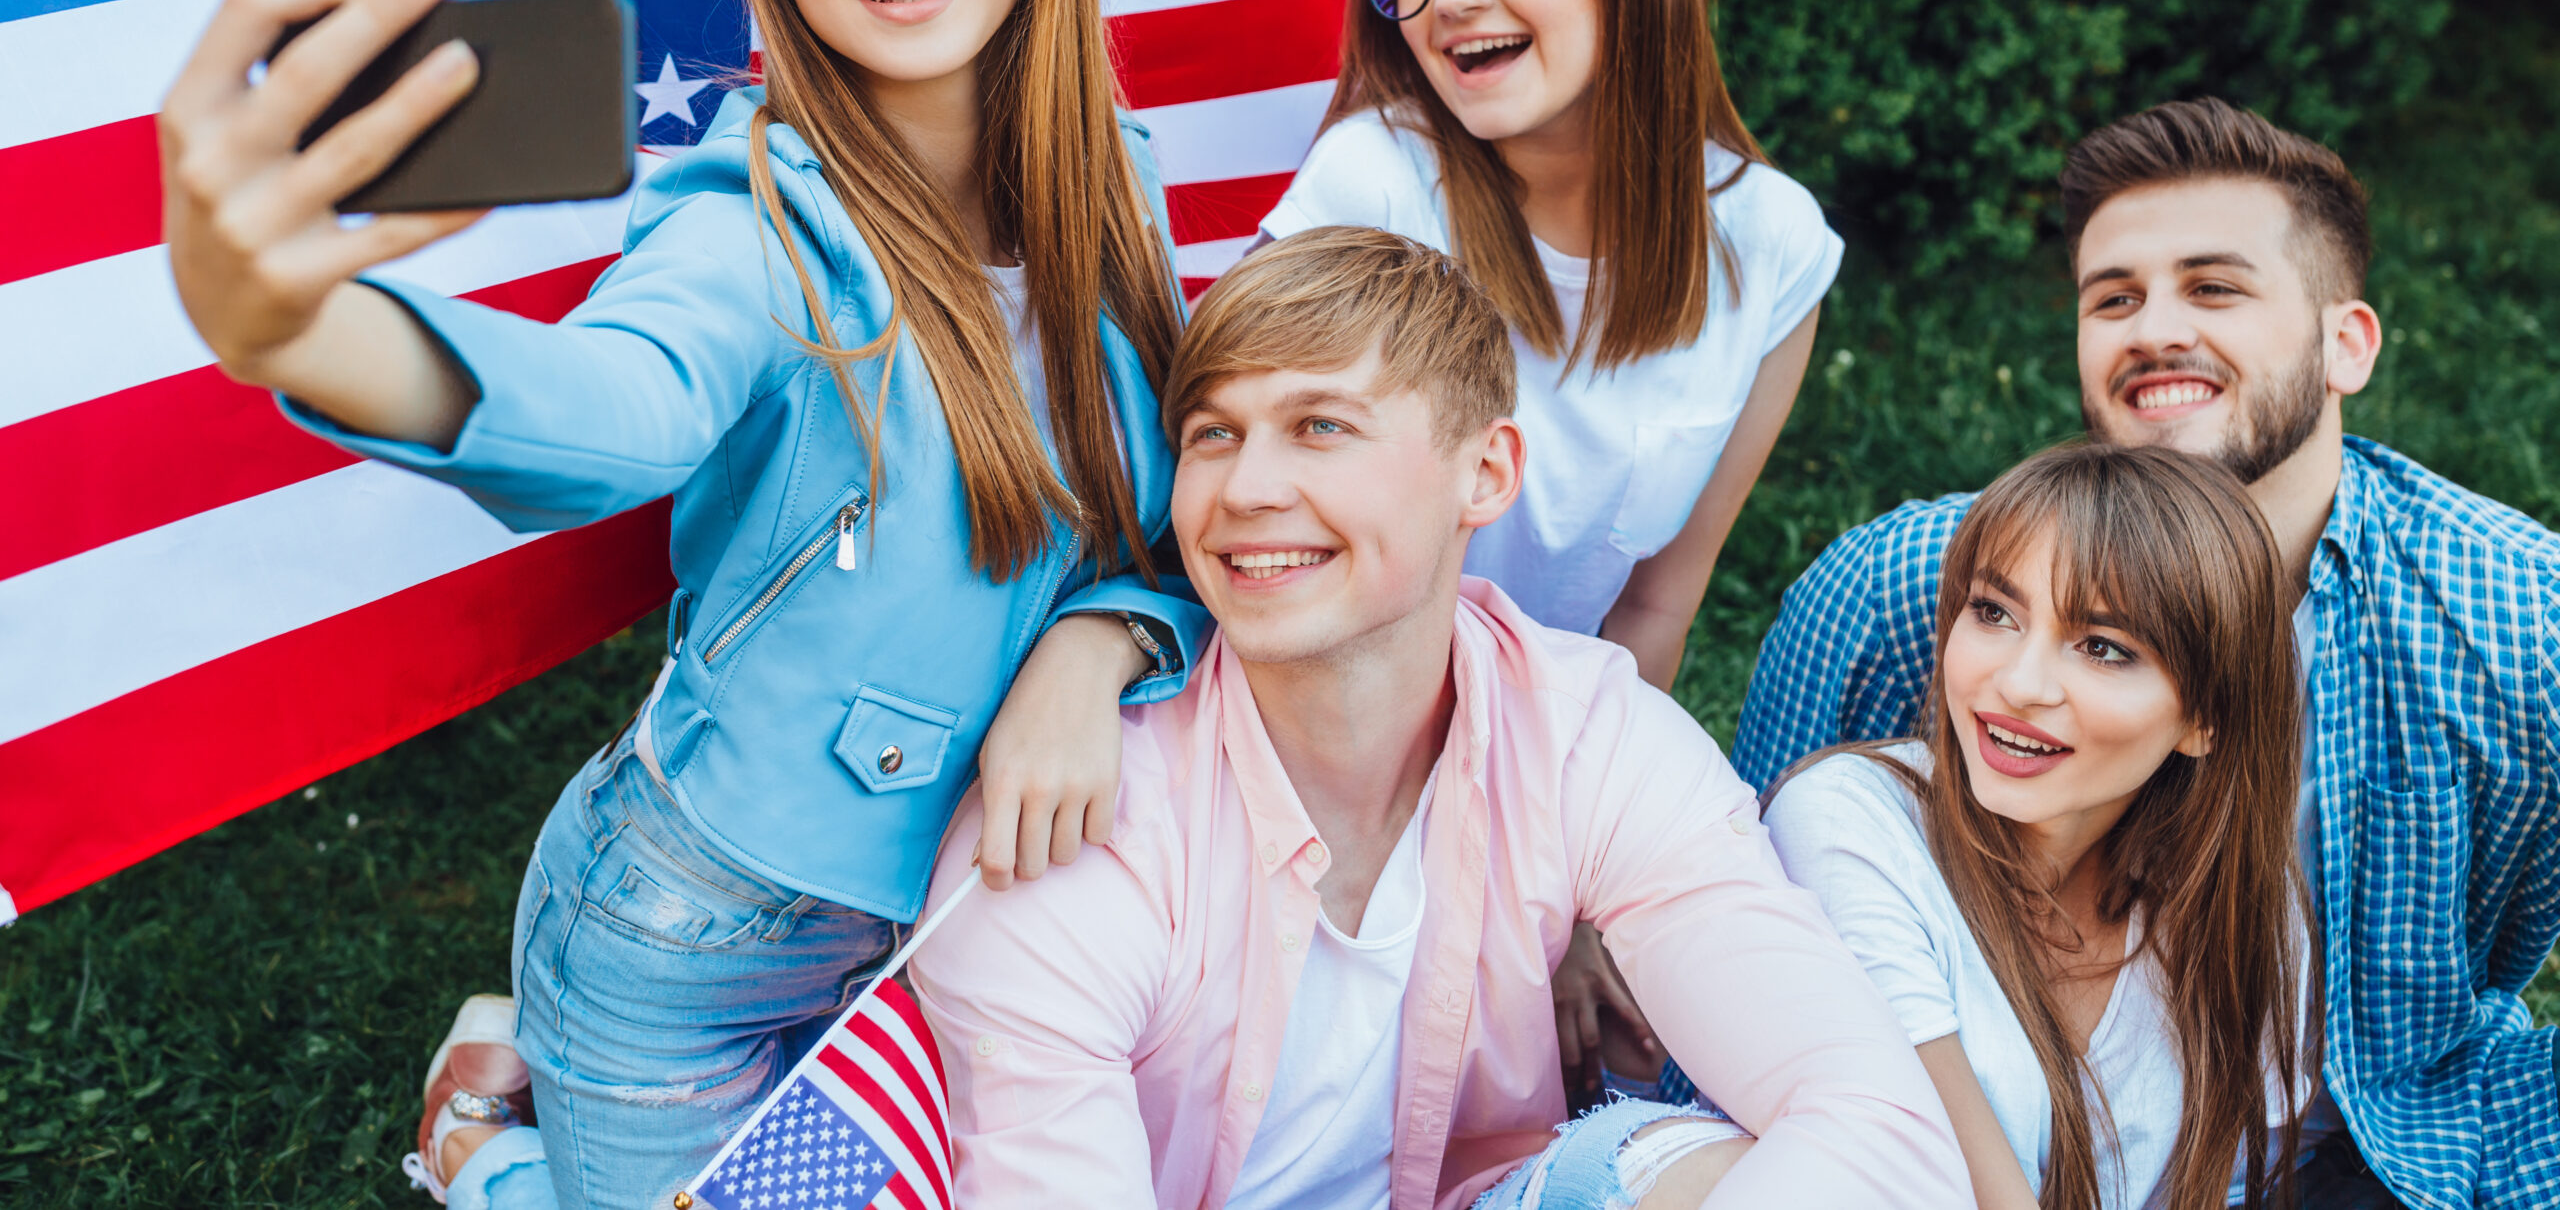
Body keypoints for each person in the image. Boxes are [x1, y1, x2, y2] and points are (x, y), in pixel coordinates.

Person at [154, 0, 1209, 1210]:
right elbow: (615, 409)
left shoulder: (1117, 175)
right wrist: (295, 328)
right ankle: (480, 1142)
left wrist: (1103, 640)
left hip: (963, 914)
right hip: (689, 935)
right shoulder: (756, 217)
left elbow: (1173, 517)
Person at [908, 227, 1970, 1210]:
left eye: (1320, 427)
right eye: (1212, 435)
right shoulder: (1079, 816)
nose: (1247, 488)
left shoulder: (1583, 732)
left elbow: (1875, 1123)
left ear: (1487, 472)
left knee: (1691, 1173)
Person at [1733, 99, 2560, 1209]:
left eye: (2214, 288)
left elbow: (2507, 929)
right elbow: (1755, 929)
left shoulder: (2514, 610)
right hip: (2004, 1141)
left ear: (2343, 343)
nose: (2153, 330)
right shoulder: (1904, 587)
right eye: (2112, 298)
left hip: (2403, 1138)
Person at [1259, 0, 1839, 693]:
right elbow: (1246, 531)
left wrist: (1576, 812)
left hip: (1561, 740)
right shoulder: (1371, 189)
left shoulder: (1771, 244)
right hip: (1333, 710)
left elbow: (1653, 610)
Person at [1760, 441, 2314, 1210]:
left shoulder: (2246, 926)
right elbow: (1955, 1182)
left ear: (2205, 716)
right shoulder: (1847, 823)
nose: (2018, 684)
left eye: (2103, 647)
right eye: (1994, 612)